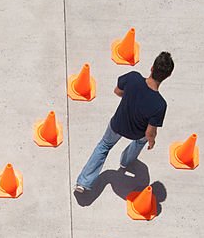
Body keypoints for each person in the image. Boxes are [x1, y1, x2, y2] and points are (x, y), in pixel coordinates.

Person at [74, 51, 174, 193]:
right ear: (167, 76)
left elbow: (117, 91)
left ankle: (84, 182)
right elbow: (150, 132)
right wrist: (152, 141)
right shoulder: (160, 105)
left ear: (152, 67)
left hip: (117, 124)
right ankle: (126, 161)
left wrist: (130, 99)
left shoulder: (133, 78)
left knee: (104, 146)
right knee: (142, 140)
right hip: (136, 133)